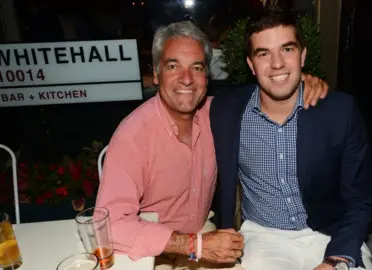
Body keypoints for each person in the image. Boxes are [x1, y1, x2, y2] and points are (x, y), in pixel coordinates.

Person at [94, 20, 329, 269]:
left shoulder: (217, 114)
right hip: (150, 252)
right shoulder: (132, 136)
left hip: (204, 235)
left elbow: (266, 91)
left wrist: (297, 81)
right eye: (173, 66)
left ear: (207, 76)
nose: (186, 79)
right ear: (155, 73)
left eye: (196, 67)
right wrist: (193, 245)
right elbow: (110, 225)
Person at [210, 8, 372, 270]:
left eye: (287, 49)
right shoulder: (225, 110)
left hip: (331, 233)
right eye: (264, 53)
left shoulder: (340, 111)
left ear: (303, 56)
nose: (277, 64)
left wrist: (336, 259)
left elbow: (361, 200)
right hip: (264, 237)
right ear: (251, 65)